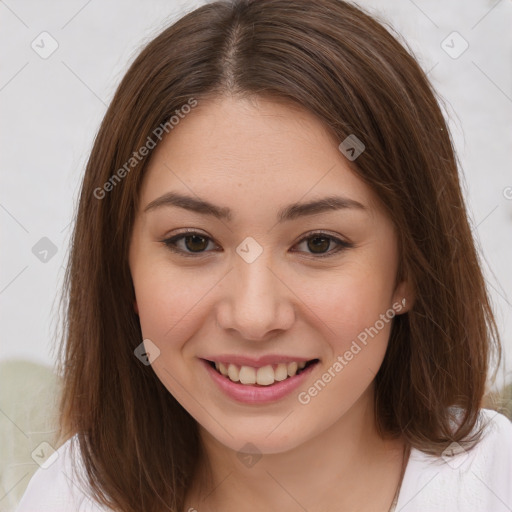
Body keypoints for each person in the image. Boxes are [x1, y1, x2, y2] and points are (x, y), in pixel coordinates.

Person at [15, 0, 512, 511]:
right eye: (194, 241)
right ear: (125, 271)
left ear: (408, 271)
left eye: (319, 243)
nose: (253, 317)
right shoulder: (69, 498)